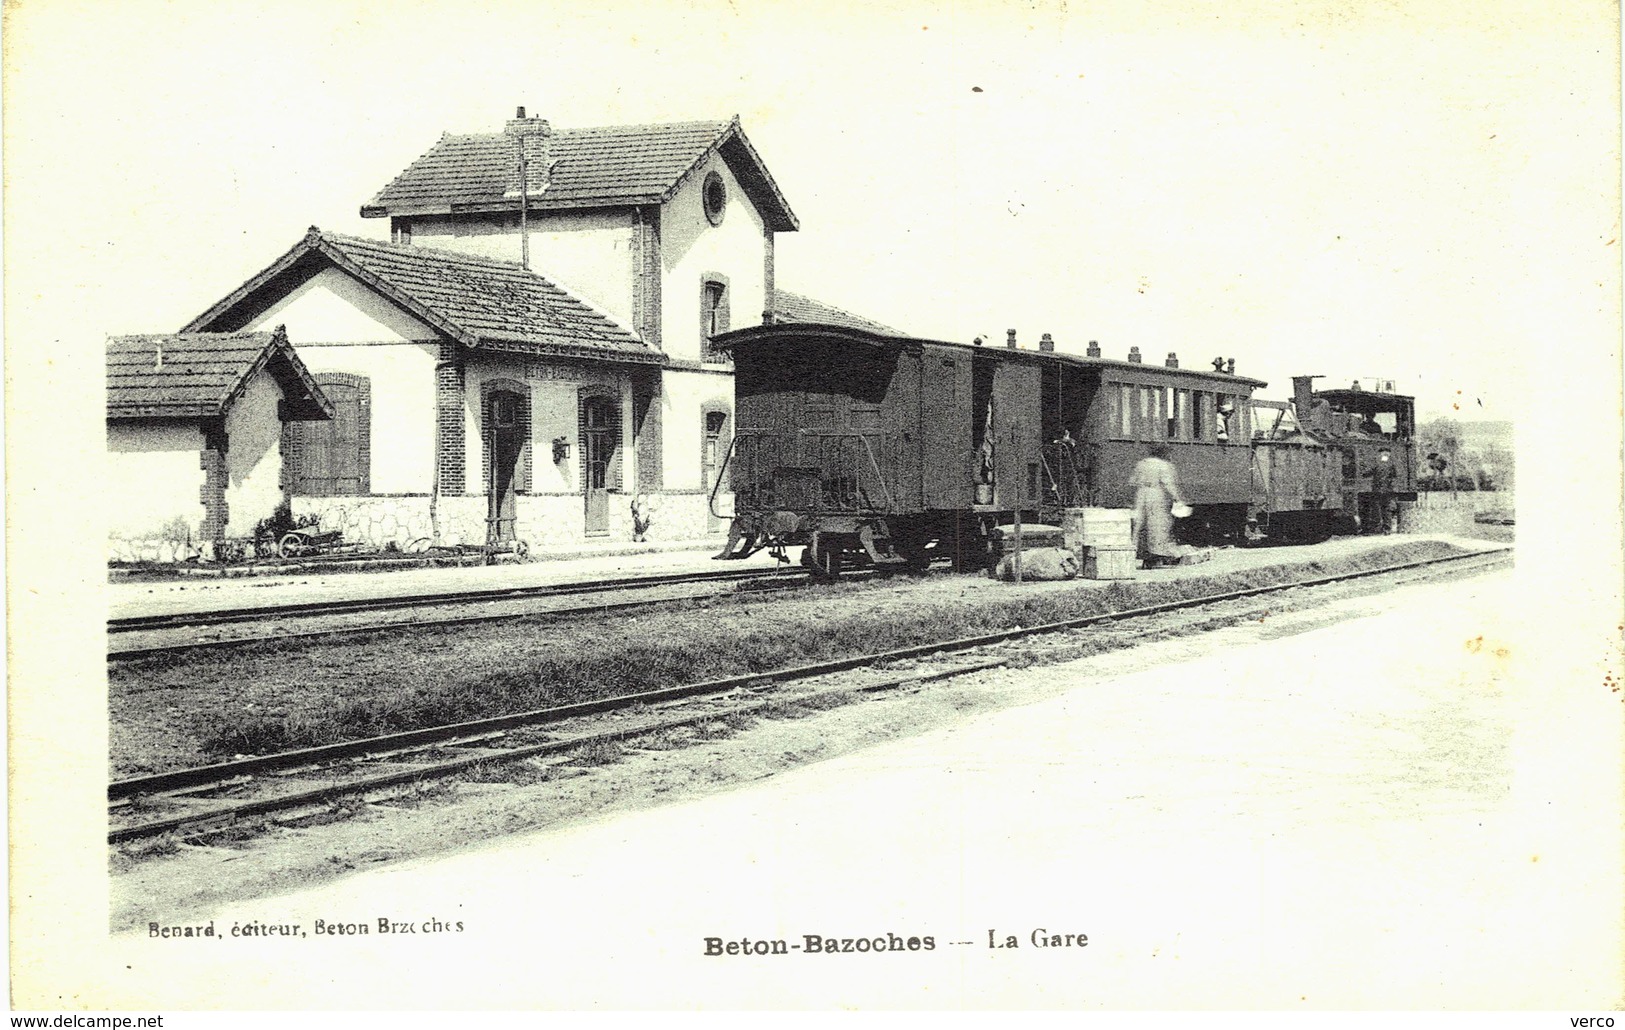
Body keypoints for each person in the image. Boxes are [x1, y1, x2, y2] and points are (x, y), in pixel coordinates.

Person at [1132, 443, 1189, 568]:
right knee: (1158, 526)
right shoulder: (1164, 466)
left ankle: (1139, 555)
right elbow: (1169, 484)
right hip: (1156, 494)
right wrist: (1178, 499)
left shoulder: (1142, 463)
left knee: (1140, 526)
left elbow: (1133, 481)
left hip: (1141, 494)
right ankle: (1157, 556)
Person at [1364, 449, 1397, 534]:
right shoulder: (1391, 464)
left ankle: (1377, 528)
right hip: (1388, 490)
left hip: (1377, 489)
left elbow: (1368, 472)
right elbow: (1394, 475)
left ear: (1381, 454)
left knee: (1376, 508)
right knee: (1386, 509)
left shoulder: (1377, 463)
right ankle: (1387, 529)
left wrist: (1363, 471)